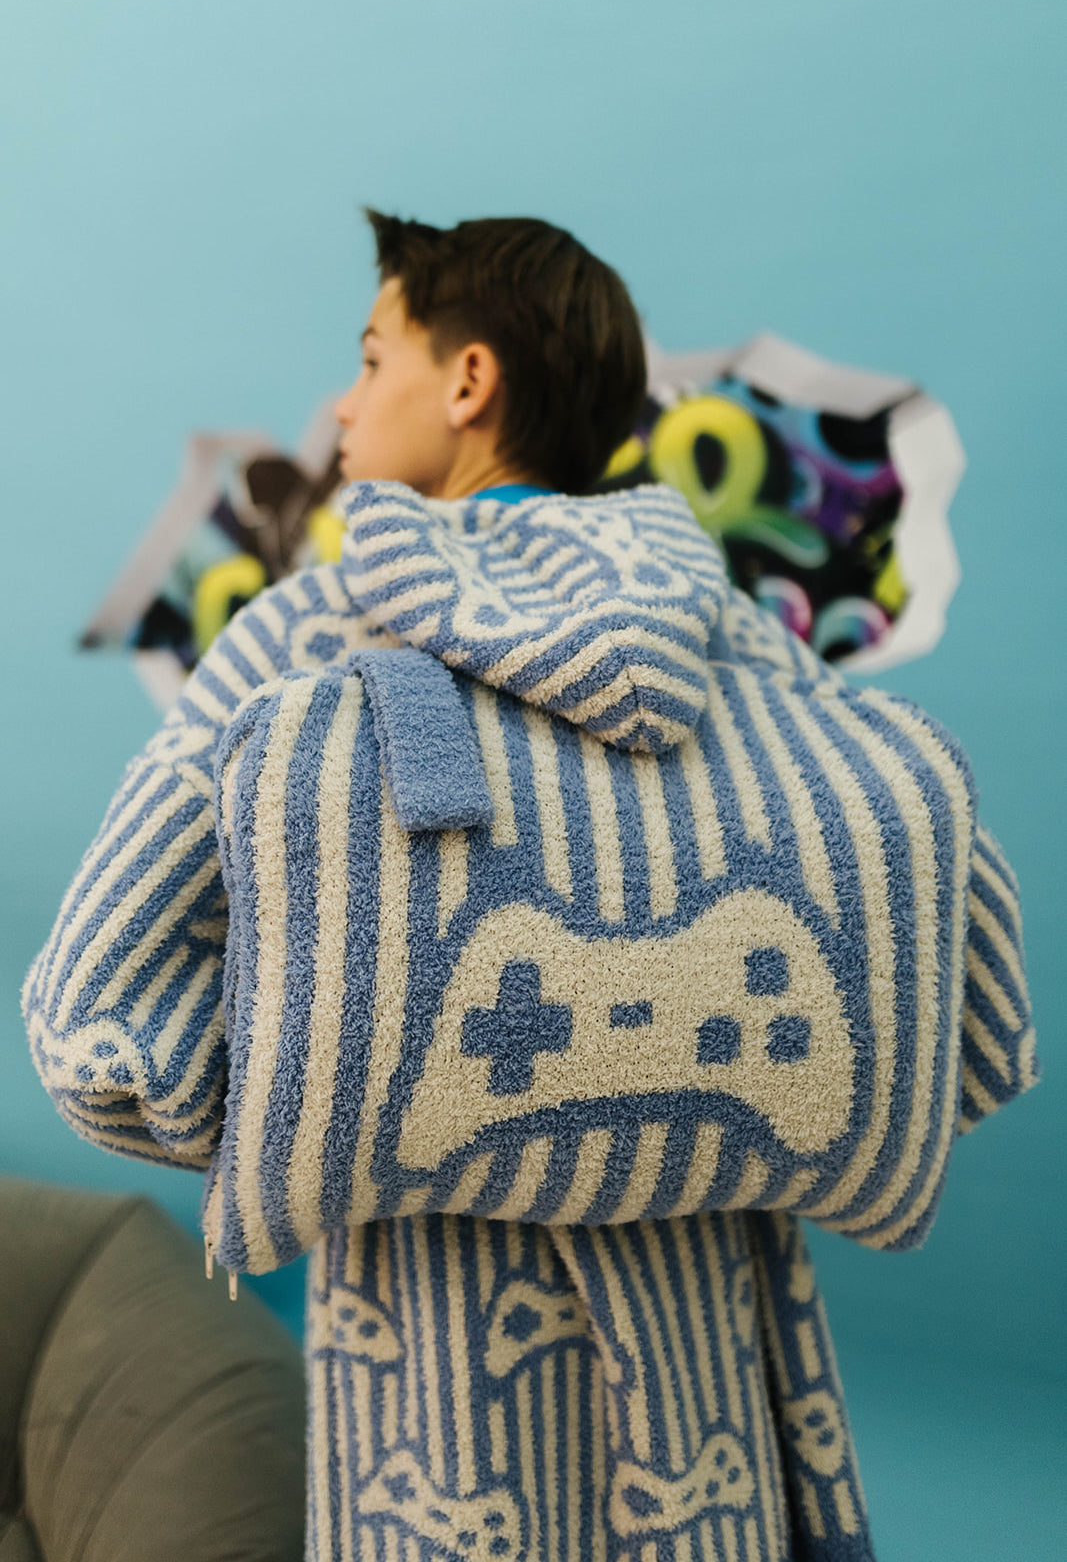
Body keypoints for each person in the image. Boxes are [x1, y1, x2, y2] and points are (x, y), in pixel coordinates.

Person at [25, 212, 1036, 1562]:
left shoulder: (313, 632)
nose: (345, 396)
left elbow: (96, 1013)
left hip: (434, 1396)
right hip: (713, 1355)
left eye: (374, 353)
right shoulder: (742, 646)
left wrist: (314, 1110)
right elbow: (976, 1009)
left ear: (467, 382)